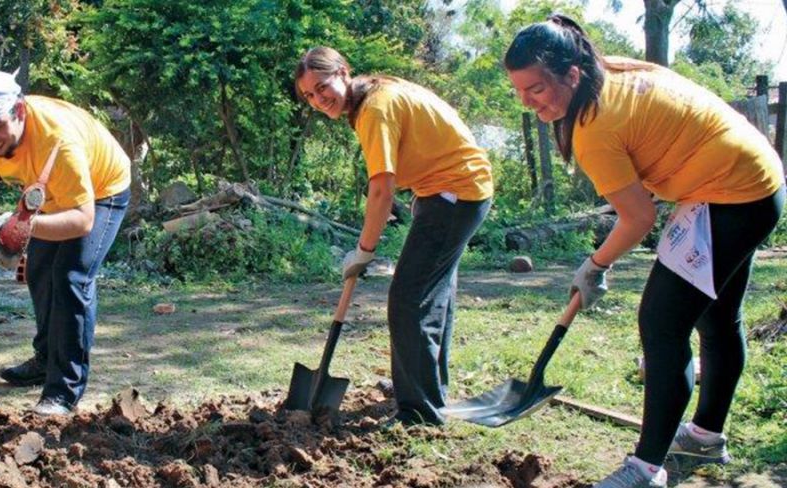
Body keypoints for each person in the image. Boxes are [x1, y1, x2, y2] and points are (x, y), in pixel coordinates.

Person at [505, 15, 784, 487]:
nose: (527, 102)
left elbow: (638, 218)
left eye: (536, 89)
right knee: (715, 319)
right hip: (752, 180)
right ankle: (704, 437)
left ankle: (645, 469)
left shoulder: (594, 128)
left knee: (661, 323)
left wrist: (594, 265)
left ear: (571, 74)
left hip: (731, 193)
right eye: (520, 90)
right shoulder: (605, 71)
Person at [294, 47, 494, 426]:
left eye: (323, 87)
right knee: (433, 298)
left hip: (455, 193)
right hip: (450, 191)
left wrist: (364, 251)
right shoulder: (375, 95)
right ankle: (427, 390)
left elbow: (382, 190)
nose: (319, 100)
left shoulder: (374, 109)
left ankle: (419, 412)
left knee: (408, 299)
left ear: (343, 72)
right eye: (310, 96)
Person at [0, 70, 131, 416]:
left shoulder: (57, 141)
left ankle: (63, 391)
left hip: (101, 193)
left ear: (19, 111)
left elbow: (82, 221)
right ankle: (45, 359)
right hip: (52, 194)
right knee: (38, 270)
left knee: (71, 277)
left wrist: (24, 225)